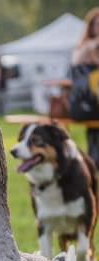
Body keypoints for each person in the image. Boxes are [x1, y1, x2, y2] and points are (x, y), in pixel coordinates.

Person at [72, 7, 99, 166]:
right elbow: (77, 61)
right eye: (97, 24)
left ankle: (93, 163)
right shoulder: (84, 48)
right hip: (86, 105)